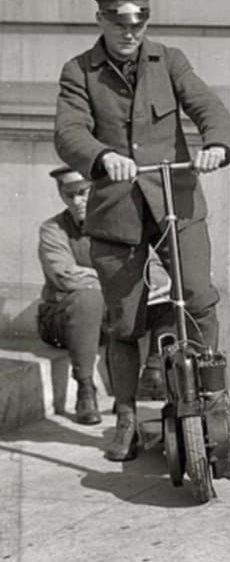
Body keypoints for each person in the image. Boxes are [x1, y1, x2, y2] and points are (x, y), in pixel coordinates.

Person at [54, 0, 230, 461]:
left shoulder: (169, 60)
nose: (130, 32)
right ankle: (128, 415)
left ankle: (211, 396)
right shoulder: (79, 72)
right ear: (102, 21)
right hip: (118, 209)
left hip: (176, 199)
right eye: (119, 23)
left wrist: (215, 143)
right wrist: (102, 156)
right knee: (124, 322)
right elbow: (68, 132)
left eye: (138, 23)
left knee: (197, 295)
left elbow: (208, 107)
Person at [37, 167, 105, 425]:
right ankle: (86, 390)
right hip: (60, 320)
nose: (77, 202)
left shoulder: (116, 225)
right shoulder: (53, 229)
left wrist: (90, 274)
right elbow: (65, 276)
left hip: (105, 318)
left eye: (83, 193)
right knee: (87, 298)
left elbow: (151, 273)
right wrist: (111, 280)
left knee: (173, 293)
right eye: (70, 196)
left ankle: (154, 373)